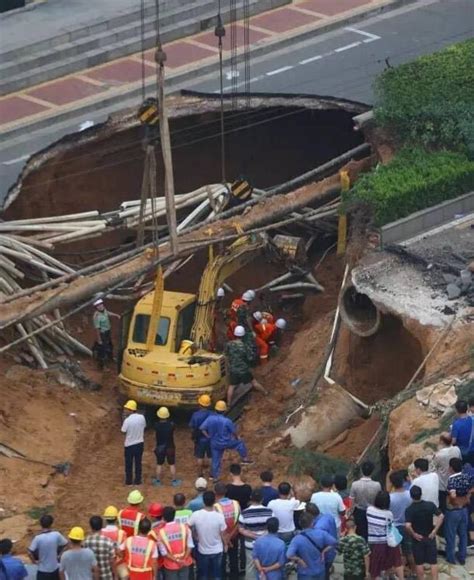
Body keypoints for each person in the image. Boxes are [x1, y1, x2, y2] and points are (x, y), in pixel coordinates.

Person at [200, 401, 253, 481]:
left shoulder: (210, 418)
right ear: (224, 410)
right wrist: (236, 438)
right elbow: (233, 432)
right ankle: (245, 459)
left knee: (215, 459)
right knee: (240, 443)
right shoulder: (227, 421)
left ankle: (215, 477)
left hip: (215, 443)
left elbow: (202, 428)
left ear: (215, 409)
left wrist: (208, 436)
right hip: (226, 442)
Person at [405, 485, 443, 579]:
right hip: (430, 536)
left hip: (418, 540)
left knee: (419, 563)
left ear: (411, 496)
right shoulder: (430, 505)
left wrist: (414, 534)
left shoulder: (409, 509)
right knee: (433, 562)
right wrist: (434, 531)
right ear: (421, 494)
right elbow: (441, 516)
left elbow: (407, 525)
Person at [286, 511, 337, 580]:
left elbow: (289, 555)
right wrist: (324, 551)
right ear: (312, 522)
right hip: (320, 569)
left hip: (305, 572)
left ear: (300, 523)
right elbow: (334, 542)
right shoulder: (321, 533)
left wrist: (299, 560)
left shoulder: (297, 539)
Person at [189, 491, 227, 580]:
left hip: (203, 551)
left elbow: (187, 526)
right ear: (214, 501)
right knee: (217, 575)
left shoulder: (196, 515)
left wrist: (194, 535)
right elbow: (223, 533)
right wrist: (225, 544)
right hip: (217, 550)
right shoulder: (220, 516)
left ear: (203, 501)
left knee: (203, 576)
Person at [366, 491, 403, 580]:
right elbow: (390, 526)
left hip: (373, 543)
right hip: (385, 543)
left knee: (375, 567)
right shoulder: (388, 514)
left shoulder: (369, 510)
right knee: (395, 560)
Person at [225, 326, 265, 406]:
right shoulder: (244, 346)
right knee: (254, 382)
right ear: (243, 335)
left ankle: (228, 403)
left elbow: (226, 355)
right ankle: (265, 392)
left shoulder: (229, 344)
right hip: (243, 370)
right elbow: (250, 358)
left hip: (233, 370)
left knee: (231, 386)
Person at [239, 489, 273, 578]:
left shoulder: (244, 513)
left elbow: (241, 529)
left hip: (250, 545)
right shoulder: (269, 512)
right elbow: (272, 527)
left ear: (251, 498)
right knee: (265, 567)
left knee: (250, 567)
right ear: (262, 499)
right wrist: (262, 536)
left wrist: (254, 536)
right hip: (266, 544)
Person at [444, 457, 472, 565]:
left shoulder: (451, 479)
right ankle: (462, 557)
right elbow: (470, 489)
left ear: (451, 467)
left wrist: (453, 502)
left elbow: (453, 495)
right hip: (464, 510)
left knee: (451, 535)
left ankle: (451, 559)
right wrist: (466, 499)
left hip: (453, 511)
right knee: (463, 534)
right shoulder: (466, 476)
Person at [389, 471, 415, 576]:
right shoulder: (410, 495)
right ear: (403, 481)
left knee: (394, 552)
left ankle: (396, 572)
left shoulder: (390, 498)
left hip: (394, 528)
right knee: (408, 551)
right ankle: (413, 571)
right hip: (407, 526)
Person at [157, 506, 194, 579]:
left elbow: (164, 553)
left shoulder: (161, 533)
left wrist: (177, 561)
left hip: (170, 565)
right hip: (185, 562)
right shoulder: (185, 528)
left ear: (163, 517)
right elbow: (190, 546)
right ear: (174, 515)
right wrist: (183, 560)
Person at [28, 514, 68, 580]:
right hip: (54, 569)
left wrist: (34, 562)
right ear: (51, 523)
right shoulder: (56, 534)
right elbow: (66, 544)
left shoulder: (38, 538)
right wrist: (60, 555)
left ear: (41, 524)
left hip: (42, 571)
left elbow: (29, 552)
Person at [214, 482, 241, 580]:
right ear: (226, 492)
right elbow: (238, 522)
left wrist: (226, 539)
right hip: (234, 536)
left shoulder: (215, 507)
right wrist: (230, 537)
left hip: (222, 539)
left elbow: (217, 526)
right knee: (234, 559)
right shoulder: (236, 503)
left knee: (222, 561)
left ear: (215, 493)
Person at [349, 461, 381, 541]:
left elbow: (351, 502)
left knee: (359, 534)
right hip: (373, 512)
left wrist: (350, 513)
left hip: (358, 512)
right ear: (372, 471)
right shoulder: (377, 485)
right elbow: (379, 499)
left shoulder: (355, 484)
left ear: (361, 470)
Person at [305, 505, 336, 578]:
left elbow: (319, 544)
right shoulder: (328, 516)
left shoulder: (318, 528)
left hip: (325, 555)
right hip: (332, 551)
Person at [433, 432, 462, 512]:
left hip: (443, 483)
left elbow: (433, 467)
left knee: (442, 505)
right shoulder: (457, 449)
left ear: (442, 442)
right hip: (456, 480)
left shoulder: (439, 455)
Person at [153, 407, 181, 487]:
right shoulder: (171, 425)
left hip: (160, 447)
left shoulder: (156, 425)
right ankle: (174, 481)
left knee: (159, 464)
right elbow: (173, 426)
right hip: (170, 447)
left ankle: (158, 480)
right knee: (172, 464)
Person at [121, 400, 146, 486]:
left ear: (131, 410)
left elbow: (123, 431)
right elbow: (144, 426)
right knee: (138, 463)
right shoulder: (142, 417)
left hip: (129, 445)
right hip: (139, 443)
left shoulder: (127, 420)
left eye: (126, 409)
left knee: (129, 464)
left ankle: (129, 481)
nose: (125, 410)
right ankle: (138, 481)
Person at [189, 395, 213, 477]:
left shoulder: (195, 415)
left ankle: (200, 474)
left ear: (199, 404)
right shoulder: (212, 415)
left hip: (200, 439)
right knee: (210, 456)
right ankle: (211, 474)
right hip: (210, 438)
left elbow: (192, 427)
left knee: (200, 456)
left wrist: (193, 436)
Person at [101, 507, 128, 580]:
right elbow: (122, 552)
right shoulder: (122, 533)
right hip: (118, 564)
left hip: (104, 563)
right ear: (116, 519)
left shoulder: (100, 533)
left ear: (106, 519)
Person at [92, 298, 119, 369]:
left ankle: (111, 358)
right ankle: (103, 366)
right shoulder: (96, 316)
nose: (100, 306)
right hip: (102, 333)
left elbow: (108, 313)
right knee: (102, 350)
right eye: (98, 306)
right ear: (96, 307)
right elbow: (97, 329)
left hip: (107, 332)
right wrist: (99, 339)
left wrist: (116, 315)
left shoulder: (104, 311)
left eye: (101, 304)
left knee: (110, 345)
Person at [451, 400, 474, 464]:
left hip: (463, 452)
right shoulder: (472, 419)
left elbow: (453, 441)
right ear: (467, 408)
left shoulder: (456, 424)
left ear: (456, 410)